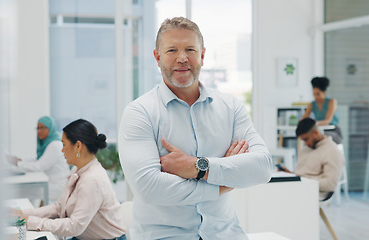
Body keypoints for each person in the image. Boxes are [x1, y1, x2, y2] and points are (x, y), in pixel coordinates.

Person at [118, 17, 273, 240]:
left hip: (225, 235)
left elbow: (263, 168)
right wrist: (223, 183)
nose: (182, 58)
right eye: (172, 50)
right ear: (157, 56)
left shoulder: (231, 107)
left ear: (202, 55)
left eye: (190, 49)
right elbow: (148, 187)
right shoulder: (139, 112)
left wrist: (197, 167)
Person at [12, 119, 127, 240]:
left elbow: (74, 226)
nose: (62, 150)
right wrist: (23, 214)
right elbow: (58, 207)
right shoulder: (77, 170)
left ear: (78, 146)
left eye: (64, 145)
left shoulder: (92, 179)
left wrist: (31, 222)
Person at [6, 116, 70, 202]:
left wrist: (17, 163)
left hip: (58, 185)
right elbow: (39, 160)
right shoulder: (48, 143)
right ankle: (29, 213)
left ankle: (25, 214)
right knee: (26, 191)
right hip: (50, 182)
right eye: (38, 128)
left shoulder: (55, 145)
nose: (39, 131)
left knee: (21, 192)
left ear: (50, 128)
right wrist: (21, 161)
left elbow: (39, 166)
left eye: (43, 128)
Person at [294, 118, 345, 200]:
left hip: (316, 192)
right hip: (300, 187)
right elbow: (303, 173)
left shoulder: (332, 151)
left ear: (316, 133)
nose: (306, 144)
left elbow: (330, 184)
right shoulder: (305, 150)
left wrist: (302, 181)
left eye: (306, 139)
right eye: (303, 141)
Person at [301, 76, 343, 144]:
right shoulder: (312, 104)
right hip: (319, 131)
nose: (315, 97)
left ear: (324, 92)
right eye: (314, 94)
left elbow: (327, 121)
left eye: (318, 94)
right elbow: (304, 119)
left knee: (317, 138)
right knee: (310, 138)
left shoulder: (331, 102)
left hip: (333, 131)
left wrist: (314, 123)